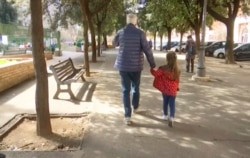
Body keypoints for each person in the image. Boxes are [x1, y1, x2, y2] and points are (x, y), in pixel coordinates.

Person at [112, 13, 156, 125]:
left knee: (125, 90)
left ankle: (127, 116)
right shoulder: (140, 33)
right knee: (135, 87)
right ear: (135, 21)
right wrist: (152, 64)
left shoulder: (121, 32)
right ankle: (135, 107)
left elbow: (114, 43)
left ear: (127, 21)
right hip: (136, 66)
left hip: (123, 66)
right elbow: (147, 49)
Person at [150, 51, 180, 127]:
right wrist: (177, 87)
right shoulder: (177, 70)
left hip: (165, 89)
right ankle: (172, 117)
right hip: (173, 90)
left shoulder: (163, 68)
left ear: (167, 59)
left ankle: (165, 115)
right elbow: (177, 80)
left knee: (165, 102)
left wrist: (151, 69)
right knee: (172, 104)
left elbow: (156, 74)